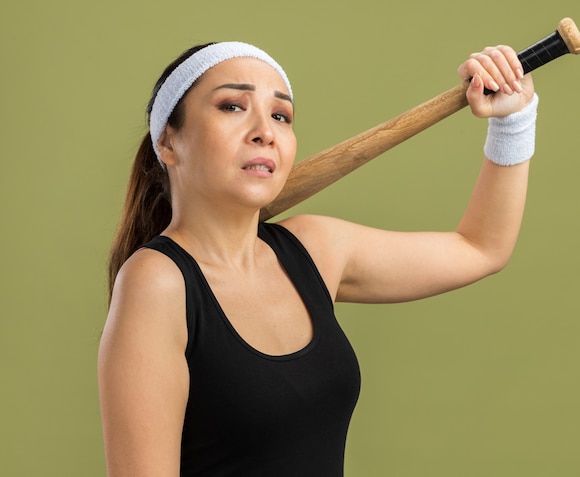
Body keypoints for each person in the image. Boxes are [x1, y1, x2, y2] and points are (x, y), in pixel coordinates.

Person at [98, 41, 538, 476]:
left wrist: (514, 120)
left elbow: (481, 248)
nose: (264, 131)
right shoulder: (157, 283)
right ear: (168, 143)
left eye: (280, 115)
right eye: (232, 106)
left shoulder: (313, 249)